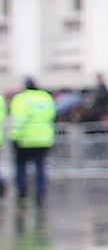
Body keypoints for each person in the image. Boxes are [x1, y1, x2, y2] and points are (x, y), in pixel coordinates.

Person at [8, 77, 57, 206]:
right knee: (40, 168)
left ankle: (22, 194)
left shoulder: (22, 99)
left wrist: (14, 137)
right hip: (44, 140)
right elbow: (51, 115)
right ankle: (40, 195)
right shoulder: (46, 97)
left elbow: (19, 120)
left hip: (24, 140)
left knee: (20, 167)